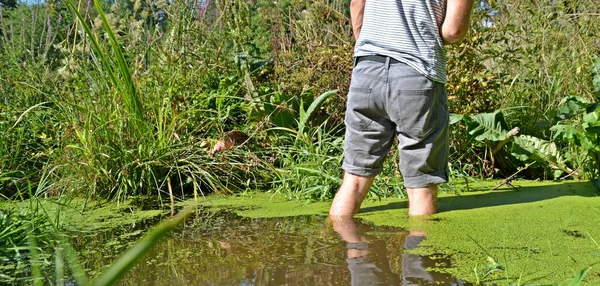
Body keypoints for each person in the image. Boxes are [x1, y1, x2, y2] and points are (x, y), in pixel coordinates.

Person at [330, 0, 474, 217]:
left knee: (354, 180)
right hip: (416, 70)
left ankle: (338, 243)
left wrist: (371, 45)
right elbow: (453, 31)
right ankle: (420, 249)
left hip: (366, 70)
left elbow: (356, 4)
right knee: (421, 187)